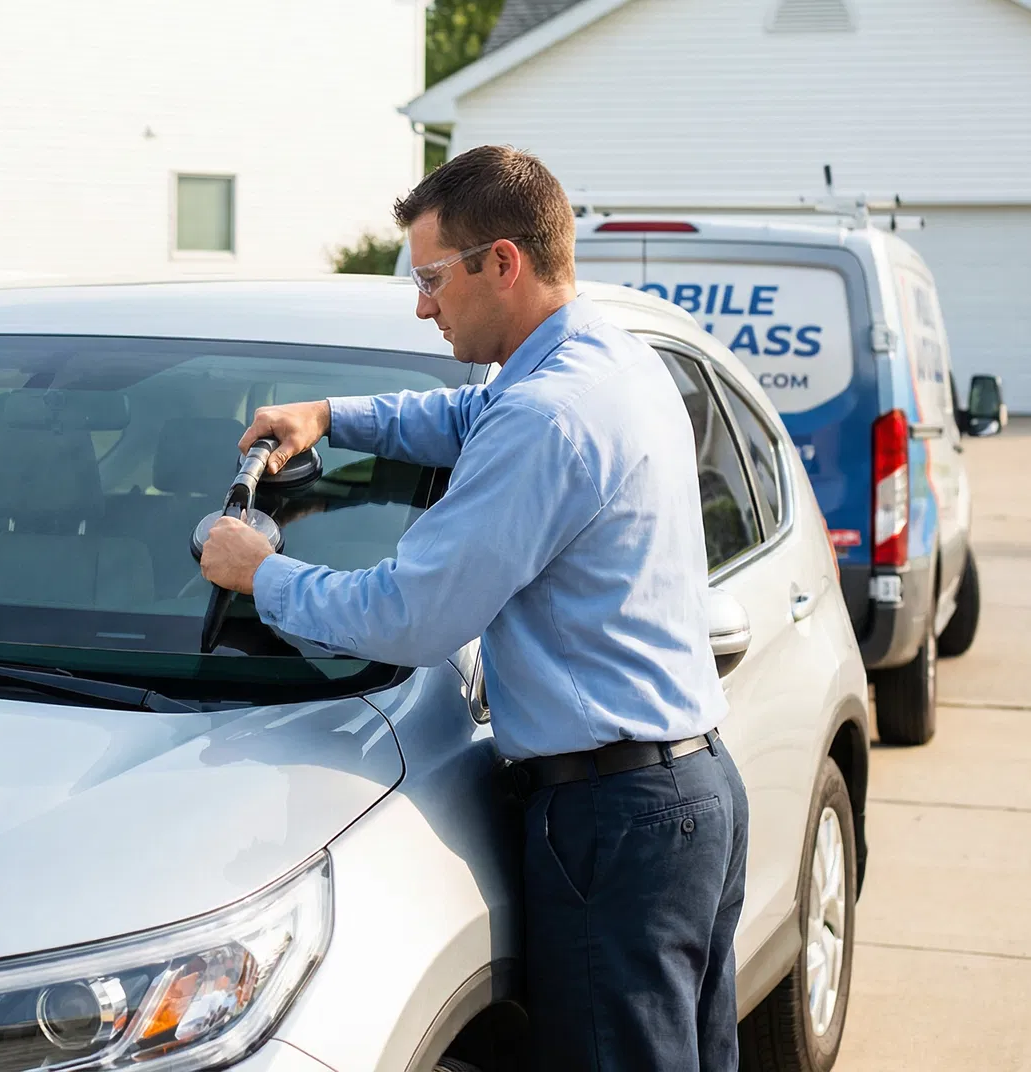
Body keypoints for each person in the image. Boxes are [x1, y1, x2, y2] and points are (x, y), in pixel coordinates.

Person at [197, 145, 750, 1071]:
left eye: (431, 279)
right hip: (688, 797)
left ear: (504, 262)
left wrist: (261, 574)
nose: (423, 306)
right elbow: (467, 418)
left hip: (612, 821)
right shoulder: (606, 360)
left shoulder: (547, 417)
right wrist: (335, 414)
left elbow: (412, 617)